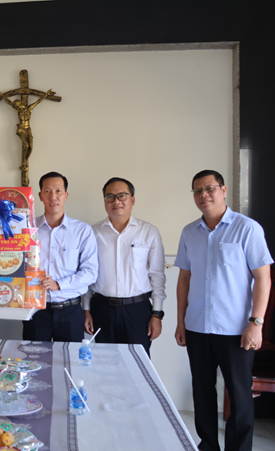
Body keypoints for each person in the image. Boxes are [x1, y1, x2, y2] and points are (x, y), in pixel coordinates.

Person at [174, 169, 272, 451]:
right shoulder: (189, 232)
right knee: (202, 392)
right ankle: (207, 445)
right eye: (197, 190)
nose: (203, 194)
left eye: (210, 188)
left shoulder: (247, 228)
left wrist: (256, 322)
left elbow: (263, 278)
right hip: (197, 326)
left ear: (224, 190)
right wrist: (181, 322)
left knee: (240, 396)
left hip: (236, 329)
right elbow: (184, 279)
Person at [83, 177, 166, 356]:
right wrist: (86, 309)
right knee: (105, 363)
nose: (116, 201)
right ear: (104, 201)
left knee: (138, 363)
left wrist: (156, 314)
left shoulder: (149, 232)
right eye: (110, 197)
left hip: (138, 311)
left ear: (132, 199)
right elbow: (87, 274)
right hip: (102, 309)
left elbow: (157, 275)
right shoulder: (93, 233)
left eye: (122, 195)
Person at [23, 172, 98, 342]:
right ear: (40, 196)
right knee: (34, 357)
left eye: (58, 191)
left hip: (70, 311)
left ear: (66, 195)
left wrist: (59, 284)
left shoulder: (82, 231)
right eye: (47, 191)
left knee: (69, 357)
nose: (53, 197)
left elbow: (90, 272)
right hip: (35, 310)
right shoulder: (28, 229)